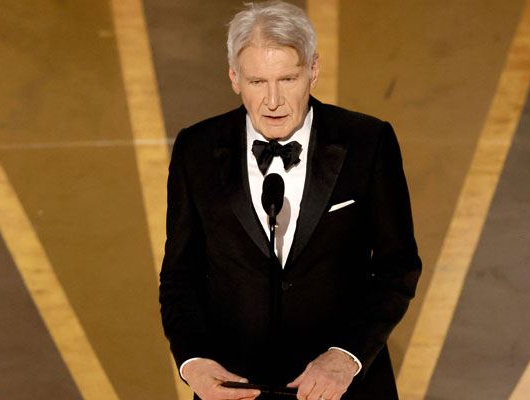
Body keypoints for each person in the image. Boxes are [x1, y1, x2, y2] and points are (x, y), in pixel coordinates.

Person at [159, 2, 421, 399]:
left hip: (343, 388)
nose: (273, 101)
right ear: (234, 78)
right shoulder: (196, 149)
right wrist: (193, 361)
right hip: (233, 389)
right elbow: (180, 274)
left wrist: (345, 356)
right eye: (257, 82)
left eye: (287, 79)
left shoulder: (368, 142)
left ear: (312, 71)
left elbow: (397, 266)